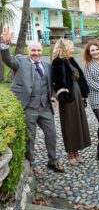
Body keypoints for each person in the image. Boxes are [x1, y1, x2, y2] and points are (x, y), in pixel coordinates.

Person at [0, 26, 64, 173]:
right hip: (28, 107)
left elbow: (50, 85)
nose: (36, 53)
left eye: (39, 50)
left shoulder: (47, 66)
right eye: (33, 50)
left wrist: (53, 97)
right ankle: (31, 164)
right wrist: (4, 44)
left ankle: (52, 161)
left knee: (52, 134)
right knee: (30, 138)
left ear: (42, 51)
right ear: (28, 51)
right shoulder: (20, 61)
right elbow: (7, 59)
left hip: (45, 107)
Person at [52, 39, 91, 165]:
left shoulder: (70, 60)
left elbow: (79, 77)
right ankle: (70, 152)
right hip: (68, 97)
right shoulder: (58, 62)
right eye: (71, 47)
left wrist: (83, 93)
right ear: (64, 48)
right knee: (70, 124)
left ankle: (76, 151)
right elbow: (57, 81)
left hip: (77, 95)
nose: (73, 49)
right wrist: (62, 92)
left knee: (78, 123)